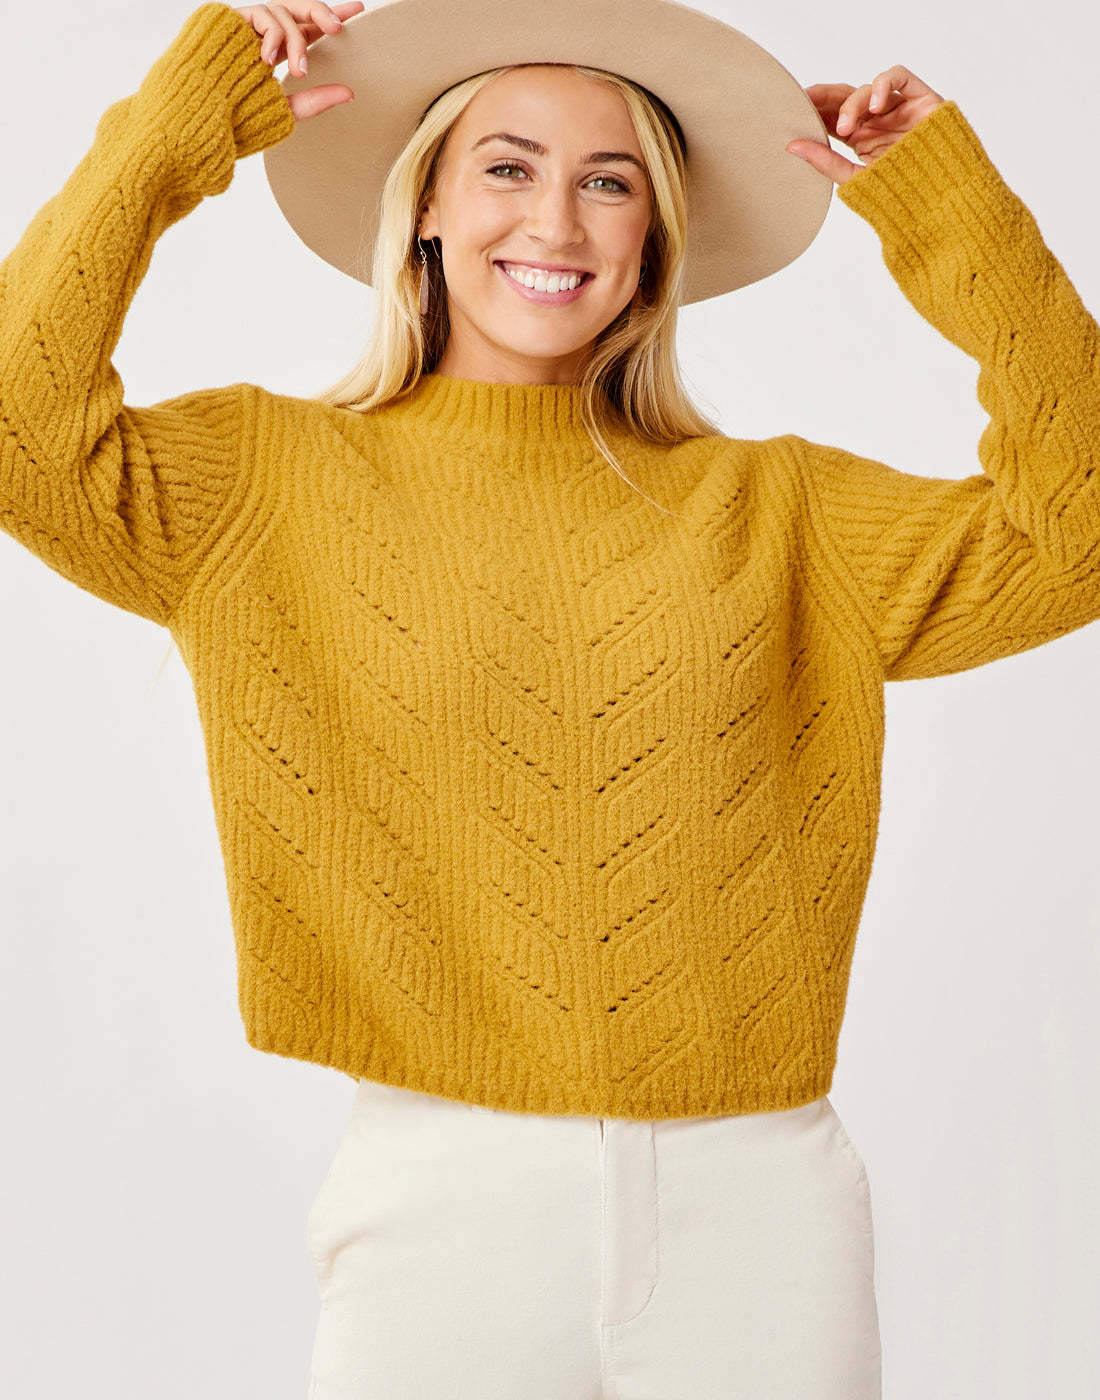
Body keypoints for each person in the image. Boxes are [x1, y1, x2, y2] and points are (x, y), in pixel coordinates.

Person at [3, 1, 1098, 1396]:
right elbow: (20, 427)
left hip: (762, 1207)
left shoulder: (781, 512)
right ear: (425, 210)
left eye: (610, 182)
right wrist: (174, 128)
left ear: (654, 239)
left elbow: (1081, 528)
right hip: (439, 1203)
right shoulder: (264, 483)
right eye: (508, 168)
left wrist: (949, 208)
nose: (557, 223)